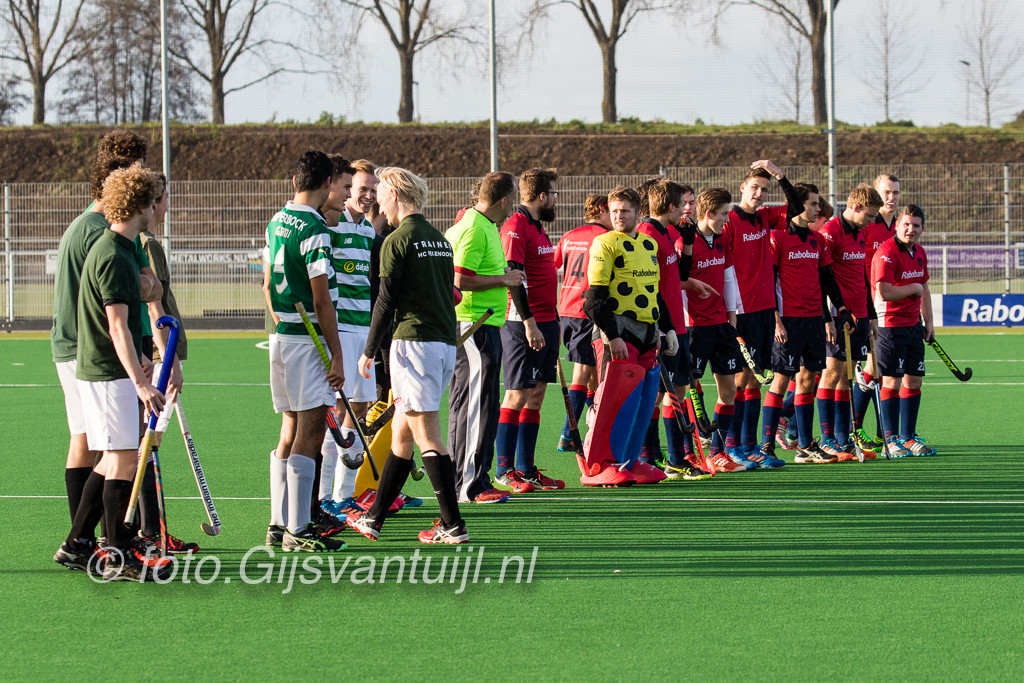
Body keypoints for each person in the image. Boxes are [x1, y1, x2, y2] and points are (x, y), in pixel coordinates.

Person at [53, 163, 170, 582]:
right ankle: (117, 551)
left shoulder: (116, 247)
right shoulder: (114, 254)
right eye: (153, 202)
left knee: (110, 460)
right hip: (107, 372)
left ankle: (77, 542)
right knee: (121, 458)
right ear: (139, 205)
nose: (156, 209)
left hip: (106, 369)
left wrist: (138, 363)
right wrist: (140, 381)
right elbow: (116, 325)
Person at [347, 166, 468, 543]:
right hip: (441, 344)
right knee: (401, 435)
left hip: (414, 345)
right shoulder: (440, 239)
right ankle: (374, 519)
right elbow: (450, 295)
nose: (377, 203)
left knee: (427, 435)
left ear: (395, 194)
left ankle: (452, 524)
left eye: (381, 194)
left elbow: (385, 301)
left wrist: (368, 351)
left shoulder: (395, 240)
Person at [264, 150, 346, 553]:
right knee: (309, 434)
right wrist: (337, 354)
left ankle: (278, 523)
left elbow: (266, 285)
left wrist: (281, 324)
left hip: (281, 337)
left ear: (295, 180)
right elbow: (321, 300)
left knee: (289, 429)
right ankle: (298, 529)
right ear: (327, 183)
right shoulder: (315, 228)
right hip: (307, 342)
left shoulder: (276, 220)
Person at [579, 186, 677, 487]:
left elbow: (655, 293)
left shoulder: (648, 244)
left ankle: (628, 461)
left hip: (648, 333)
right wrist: (612, 336)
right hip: (619, 332)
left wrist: (669, 329)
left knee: (643, 402)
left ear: (639, 213)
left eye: (625, 211)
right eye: (614, 211)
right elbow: (593, 300)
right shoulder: (604, 243)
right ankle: (599, 465)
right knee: (612, 400)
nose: (619, 216)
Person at [755, 180, 855, 465]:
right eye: (813, 203)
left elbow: (827, 279)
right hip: (788, 320)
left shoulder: (818, 240)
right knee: (781, 380)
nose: (817, 209)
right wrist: (775, 320)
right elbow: (769, 280)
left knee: (808, 379)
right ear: (798, 206)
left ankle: (805, 445)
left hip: (813, 320)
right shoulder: (777, 237)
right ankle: (766, 445)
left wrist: (839, 310)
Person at [445, 172, 525, 504]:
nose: (513, 206)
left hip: (480, 325)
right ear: (503, 200)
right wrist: (504, 279)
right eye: (513, 199)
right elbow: (460, 280)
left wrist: (501, 275)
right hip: (474, 325)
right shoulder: (476, 228)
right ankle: (470, 484)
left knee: (471, 403)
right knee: (477, 405)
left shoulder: (482, 225)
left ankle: (465, 479)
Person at [494, 168, 566, 493]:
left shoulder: (537, 227)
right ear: (542, 196)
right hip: (523, 324)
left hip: (547, 322)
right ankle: (504, 470)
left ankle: (526, 469)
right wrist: (529, 322)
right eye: (553, 194)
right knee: (517, 394)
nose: (555, 200)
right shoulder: (515, 226)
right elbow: (514, 278)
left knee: (535, 396)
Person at [721, 162, 792, 468]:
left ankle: (750, 447)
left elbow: (797, 208)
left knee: (753, 381)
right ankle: (731, 445)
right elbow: (722, 266)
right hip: (742, 311)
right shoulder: (729, 221)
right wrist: (730, 310)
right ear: (742, 188)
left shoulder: (765, 217)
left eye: (765, 189)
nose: (760, 194)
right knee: (740, 379)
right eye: (754, 188)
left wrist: (780, 175)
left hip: (764, 310)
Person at [815, 184, 884, 461]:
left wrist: (872, 315)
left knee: (846, 376)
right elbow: (821, 277)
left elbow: (861, 277)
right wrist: (826, 318)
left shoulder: (859, 232)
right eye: (870, 215)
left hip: (860, 315)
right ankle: (827, 440)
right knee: (832, 373)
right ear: (855, 207)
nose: (872, 221)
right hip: (837, 315)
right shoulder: (830, 232)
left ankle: (844, 440)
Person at [681, 188, 745, 476]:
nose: (726, 220)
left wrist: (732, 318)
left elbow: (729, 277)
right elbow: (678, 283)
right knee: (686, 393)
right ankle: (688, 453)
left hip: (721, 326)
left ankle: (717, 453)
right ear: (709, 213)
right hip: (695, 328)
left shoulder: (721, 239)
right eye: (723, 214)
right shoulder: (686, 241)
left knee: (728, 391)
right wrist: (685, 323)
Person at [870, 204, 936, 457]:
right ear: (896, 225)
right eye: (906, 224)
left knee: (914, 380)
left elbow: (924, 288)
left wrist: (929, 322)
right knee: (892, 381)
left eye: (916, 225)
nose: (911, 229)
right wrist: (913, 289)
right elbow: (884, 292)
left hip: (913, 326)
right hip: (889, 326)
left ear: (922, 229)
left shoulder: (919, 252)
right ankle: (890, 440)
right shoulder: (886, 252)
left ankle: (908, 437)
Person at [636, 180, 692, 469]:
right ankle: (650, 457)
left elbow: (680, 277)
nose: (685, 210)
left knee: (677, 392)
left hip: (677, 326)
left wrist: (689, 244)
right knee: (657, 395)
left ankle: (673, 459)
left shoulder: (666, 232)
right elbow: (646, 288)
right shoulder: (647, 234)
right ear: (671, 206)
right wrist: (659, 329)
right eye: (681, 205)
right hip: (662, 327)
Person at [553, 193, 610, 451]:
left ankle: (597, 425)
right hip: (586, 310)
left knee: (593, 374)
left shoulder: (569, 236)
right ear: (602, 210)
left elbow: (553, 264)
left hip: (566, 308)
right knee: (583, 370)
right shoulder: (604, 238)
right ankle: (568, 435)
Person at [853, 173, 903, 449]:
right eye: (886, 192)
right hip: (866, 305)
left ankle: (882, 433)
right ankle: (855, 428)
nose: (891, 198)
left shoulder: (899, 226)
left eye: (895, 192)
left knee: (883, 371)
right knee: (870, 368)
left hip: (891, 308)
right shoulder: (866, 225)